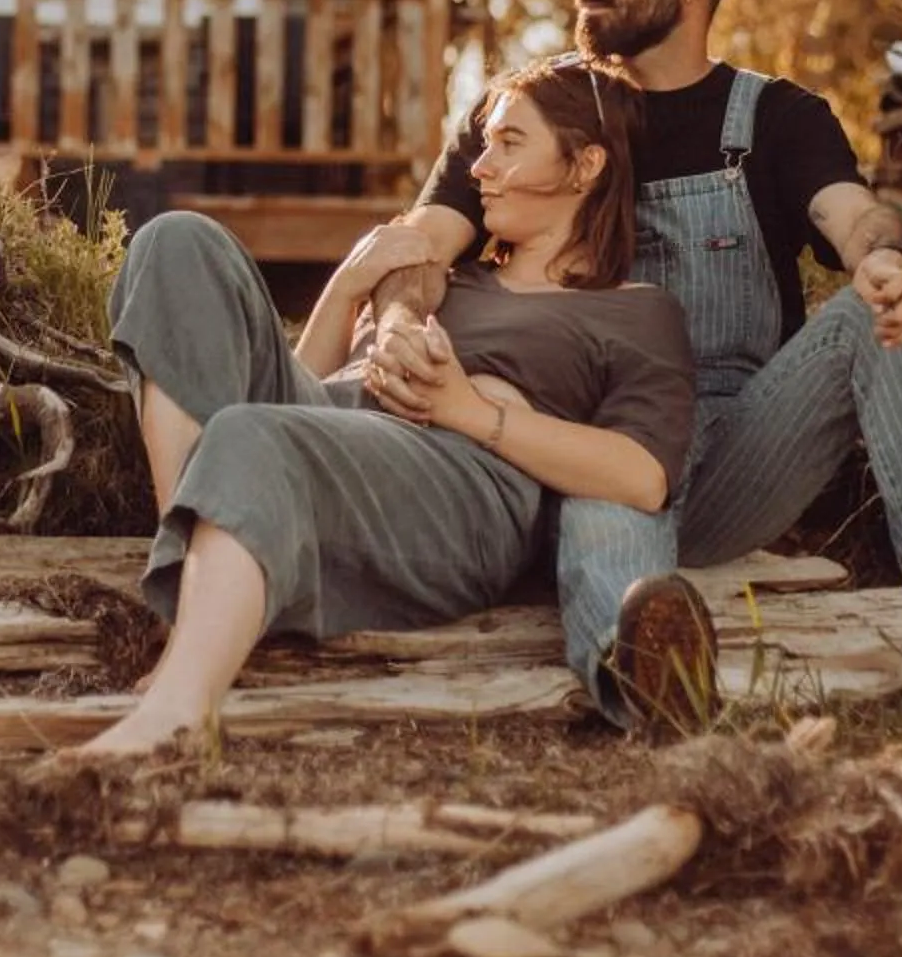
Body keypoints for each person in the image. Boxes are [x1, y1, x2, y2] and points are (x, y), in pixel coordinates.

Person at [351, 0, 902, 728]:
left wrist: (881, 260)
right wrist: (396, 319)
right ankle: (639, 686)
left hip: (728, 443)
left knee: (877, 313)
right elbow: (418, 242)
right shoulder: (529, 118)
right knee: (607, 486)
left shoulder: (775, 117)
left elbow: (852, 213)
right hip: (564, 431)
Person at [69, 60, 697, 759]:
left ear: (585, 166)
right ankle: (193, 593)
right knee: (175, 241)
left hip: (462, 484)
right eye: (484, 143)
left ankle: (178, 714)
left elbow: (643, 477)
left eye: (510, 143)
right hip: (339, 431)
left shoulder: (634, 312)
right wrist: (346, 290)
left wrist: (469, 411)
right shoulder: (443, 280)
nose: (480, 167)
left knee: (251, 436)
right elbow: (305, 395)